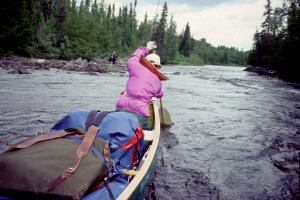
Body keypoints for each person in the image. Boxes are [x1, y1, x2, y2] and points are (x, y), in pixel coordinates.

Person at [115, 41, 164, 130]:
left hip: (121, 106)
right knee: (145, 132)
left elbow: (134, 57)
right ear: (157, 67)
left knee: (117, 128)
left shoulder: (135, 66)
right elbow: (160, 94)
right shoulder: (158, 82)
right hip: (140, 113)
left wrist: (147, 48)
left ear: (143, 62)